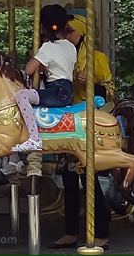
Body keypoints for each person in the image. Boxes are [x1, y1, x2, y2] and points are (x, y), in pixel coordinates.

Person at [49, 14, 111, 250]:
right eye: (63, 31)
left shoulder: (97, 58)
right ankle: (71, 231)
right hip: (67, 120)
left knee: (89, 178)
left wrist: (90, 84)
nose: (65, 36)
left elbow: (109, 92)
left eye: (69, 31)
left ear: (83, 33)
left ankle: (102, 231)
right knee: (68, 178)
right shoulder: (63, 58)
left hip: (88, 122)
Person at [13, 4, 77, 152]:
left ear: (44, 28)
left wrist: (32, 62)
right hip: (68, 90)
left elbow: (29, 70)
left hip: (56, 90)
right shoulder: (70, 46)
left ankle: (34, 139)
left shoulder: (47, 47)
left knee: (22, 95)